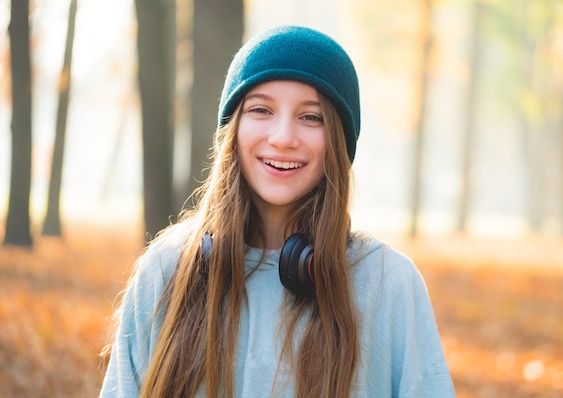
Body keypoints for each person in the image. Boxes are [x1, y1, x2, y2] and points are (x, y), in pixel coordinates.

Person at [100, 25, 455, 398]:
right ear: (233, 131)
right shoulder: (165, 269)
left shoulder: (389, 284)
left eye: (310, 117)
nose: (283, 137)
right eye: (261, 110)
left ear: (337, 141)